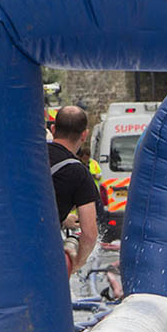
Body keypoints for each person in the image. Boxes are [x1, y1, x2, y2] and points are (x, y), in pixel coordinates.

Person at [49, 105, 98, 275]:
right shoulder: (80, 174)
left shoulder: (29, 155)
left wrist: (62, 219)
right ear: (84, 134)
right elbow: (90, 234)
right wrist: (77, 263)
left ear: (53, 129)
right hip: (39, 254)